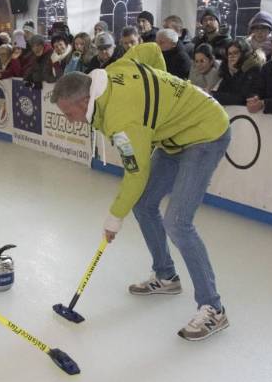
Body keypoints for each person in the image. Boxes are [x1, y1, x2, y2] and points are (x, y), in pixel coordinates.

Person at [51, 58, 231, 342]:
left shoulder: (121, 120)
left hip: (205, 133)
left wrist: (114, 218)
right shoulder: (112, 73)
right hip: (174, 134)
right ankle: (167, 276)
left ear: (86, 99)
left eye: (68, 112)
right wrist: (165, 98)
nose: (68, 119)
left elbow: (136, 174)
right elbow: (149, 50)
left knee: (178, 222)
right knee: (144, 203)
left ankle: (214, 308)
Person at [212, 37, 264, 105]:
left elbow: (243, 98)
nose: (231, 56)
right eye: (229, 54)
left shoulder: (254, 70)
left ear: (244, 53)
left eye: (235, 53)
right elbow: (221, 91)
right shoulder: (228, 70)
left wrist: (213, 96)